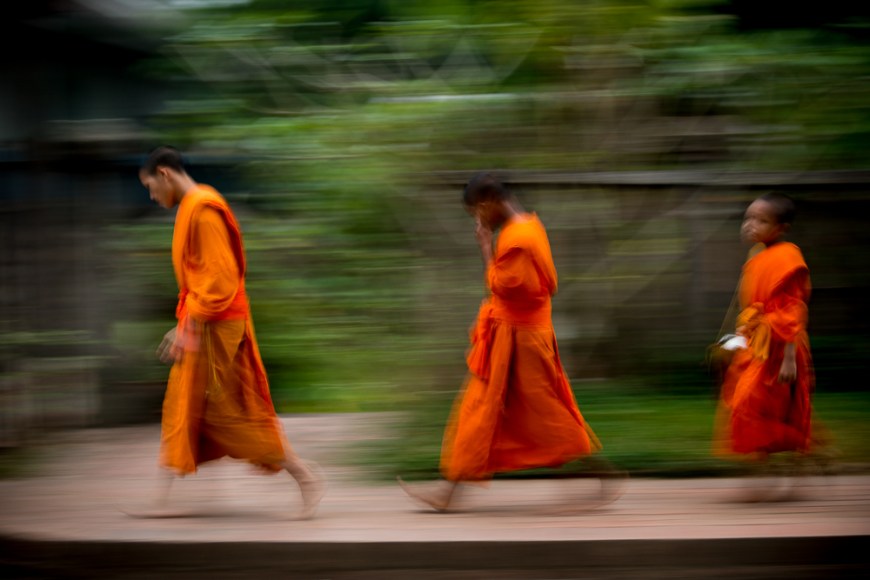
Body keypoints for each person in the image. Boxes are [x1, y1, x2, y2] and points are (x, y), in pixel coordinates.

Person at [398, 172, 621, 512]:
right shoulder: (530, 227)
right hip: (511, 336)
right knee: (479, 408)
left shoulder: (518, 237)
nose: (478, 219)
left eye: (476, 211)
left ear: (489, 202)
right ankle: (449, 491)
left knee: (543, 411)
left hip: (524, 341)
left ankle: (599, 471)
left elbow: (508, 286)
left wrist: (485, 248)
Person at [135, 146, 325, 519]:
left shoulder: (203, 211)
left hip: (216, 323)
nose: (152, 195)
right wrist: (183, 325)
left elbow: (220, 284)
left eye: (149, 186)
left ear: (164, 174)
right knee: (181, 402)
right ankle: (159, 501)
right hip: (203, 323)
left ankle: (304, 475)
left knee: (225, 413)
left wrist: (189, 323)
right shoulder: (193, 207)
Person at [712, 192, 822, 500]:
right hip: (756, 346)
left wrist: (789, 359)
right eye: (748, 218)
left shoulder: (788, 258)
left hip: (782, 348)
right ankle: (766, 467)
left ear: (781, 227)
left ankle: (798, 463)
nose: (750, 226)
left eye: (761, 220)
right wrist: (738, 339)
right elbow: (752, 307)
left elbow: (792, 311)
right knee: (747, 404)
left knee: (775, 408)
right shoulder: (757, 256)